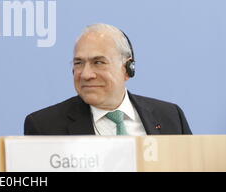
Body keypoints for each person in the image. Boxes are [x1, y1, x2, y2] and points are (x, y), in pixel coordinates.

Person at [24, 23, 192, 136]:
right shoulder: (44, 127)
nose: (85, 74)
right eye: (79, 63)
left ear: (127, 69)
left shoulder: (170, 117)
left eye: (98, 62)